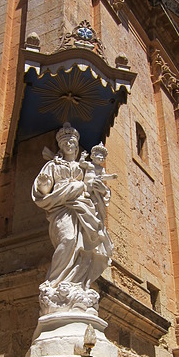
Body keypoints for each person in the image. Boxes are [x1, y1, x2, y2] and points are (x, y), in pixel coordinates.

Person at [32, 123, 112, 290]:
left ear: (76, 147)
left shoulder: (81, 167)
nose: (69, 145)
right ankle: (54, 282)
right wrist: (44, 184)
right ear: (61, 146)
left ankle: (75, 282)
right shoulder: (52, 165)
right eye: (65, 143)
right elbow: (43, 189)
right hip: (60, 206)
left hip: (81, 207)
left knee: (82, 246)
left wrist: (97, 188)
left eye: (72, 143)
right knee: (67, 239)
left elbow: (90, 188)